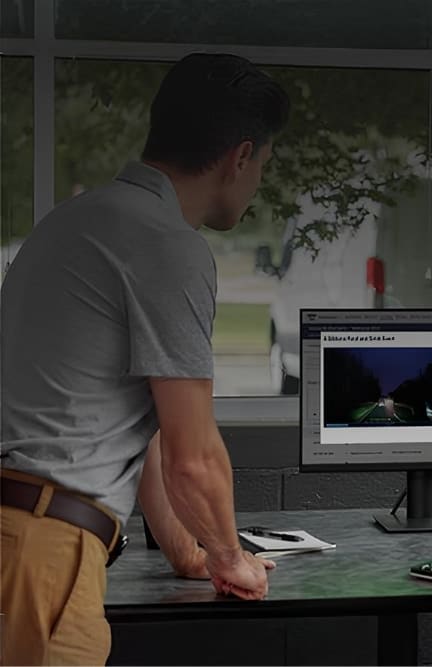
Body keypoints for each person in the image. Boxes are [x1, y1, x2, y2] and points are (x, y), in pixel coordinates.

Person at [0, 53, 290, 665]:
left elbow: (144, 429)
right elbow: (193, 458)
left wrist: (194, 554)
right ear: (240, 157)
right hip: (46, 551)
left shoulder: (75, 222)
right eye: (263, 164)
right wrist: (233, 559)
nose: (258, 179)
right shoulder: (167, 247)